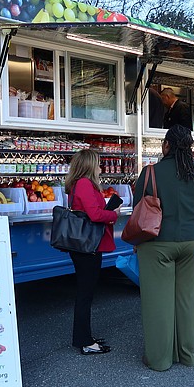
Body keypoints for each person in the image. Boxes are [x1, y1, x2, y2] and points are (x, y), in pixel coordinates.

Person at [135, 125, 194, 371]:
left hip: (157, 242)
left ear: (166, 145)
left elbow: (138, 208)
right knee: (188, 300)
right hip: (193, 241)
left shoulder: (151, 172)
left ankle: (160, 359)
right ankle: (186, 354)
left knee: (158, 302)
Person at [64, 149, 120, 354]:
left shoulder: (76, 184)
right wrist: (113, 214)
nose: (100, 167)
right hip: (88, 246)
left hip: (83, 245)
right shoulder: (85, 184)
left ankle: (84, 336)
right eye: (97, 163)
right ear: (89, 165)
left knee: (85, 292)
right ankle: (85, 341)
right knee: (85, 294)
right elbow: (95, 215)